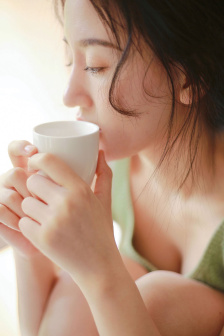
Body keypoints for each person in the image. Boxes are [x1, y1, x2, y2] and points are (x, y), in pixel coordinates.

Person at [0, 0, 224, 335]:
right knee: (79, 293)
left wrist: (100, 271)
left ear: (191, 77)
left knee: (153, 298)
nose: (69, 95)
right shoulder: (115, 167)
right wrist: (29, 243)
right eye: (69, 59)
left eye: (95, 66)